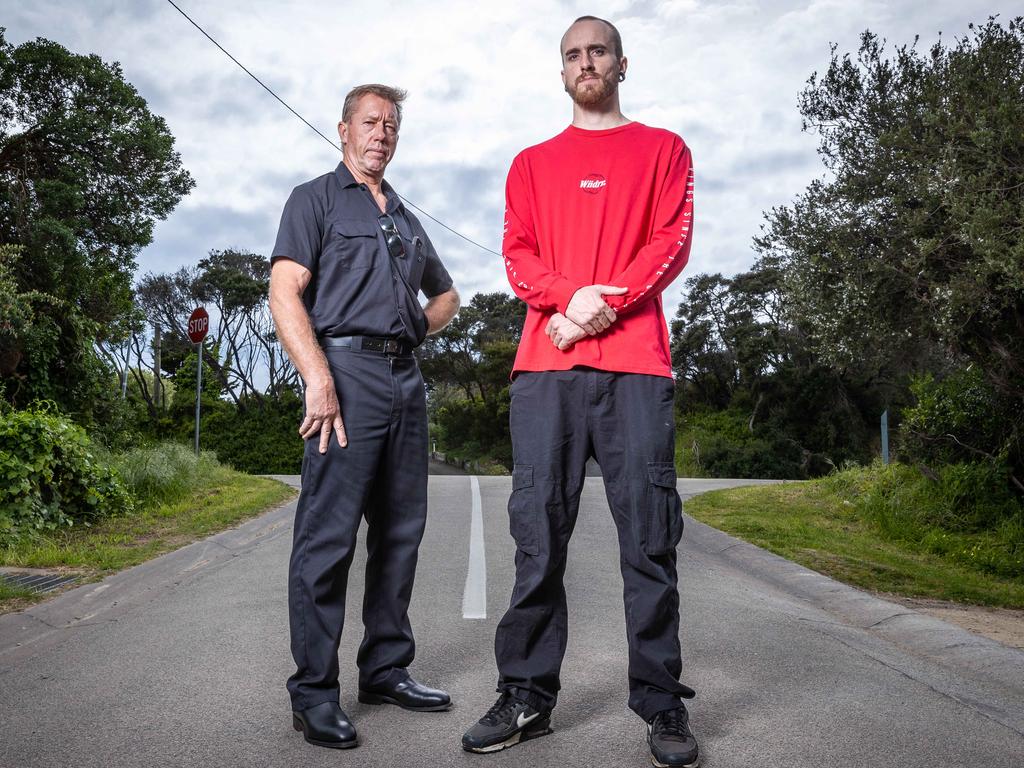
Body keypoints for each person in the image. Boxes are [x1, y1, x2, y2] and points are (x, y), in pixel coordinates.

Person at [461, 16, 699, 768]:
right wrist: (568, 302)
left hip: (637, 372)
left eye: (597, 51)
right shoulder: (531, 164)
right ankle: (526, 695)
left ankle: (661, 704)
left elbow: (671, 243)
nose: (585, 62)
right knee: (537, 542)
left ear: (621, 64)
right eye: (572, 54)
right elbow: (518, 255)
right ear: (560, 70)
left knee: (649, 544)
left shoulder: (665, 150)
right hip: (545, 374)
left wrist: (599, 310)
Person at [269, 83, 460, 750]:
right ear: (344, 129)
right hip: (344, 374)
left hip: (404, 379)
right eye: (370, 122)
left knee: (402, 532)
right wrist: (318, 378)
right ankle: (314, 694)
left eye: (391, 125)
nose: (382, 133)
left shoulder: (405, 218)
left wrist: (414, 328)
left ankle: (385, 669)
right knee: (328, 540)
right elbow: (284, 291)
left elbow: (447, 295)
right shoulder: (314, 199)